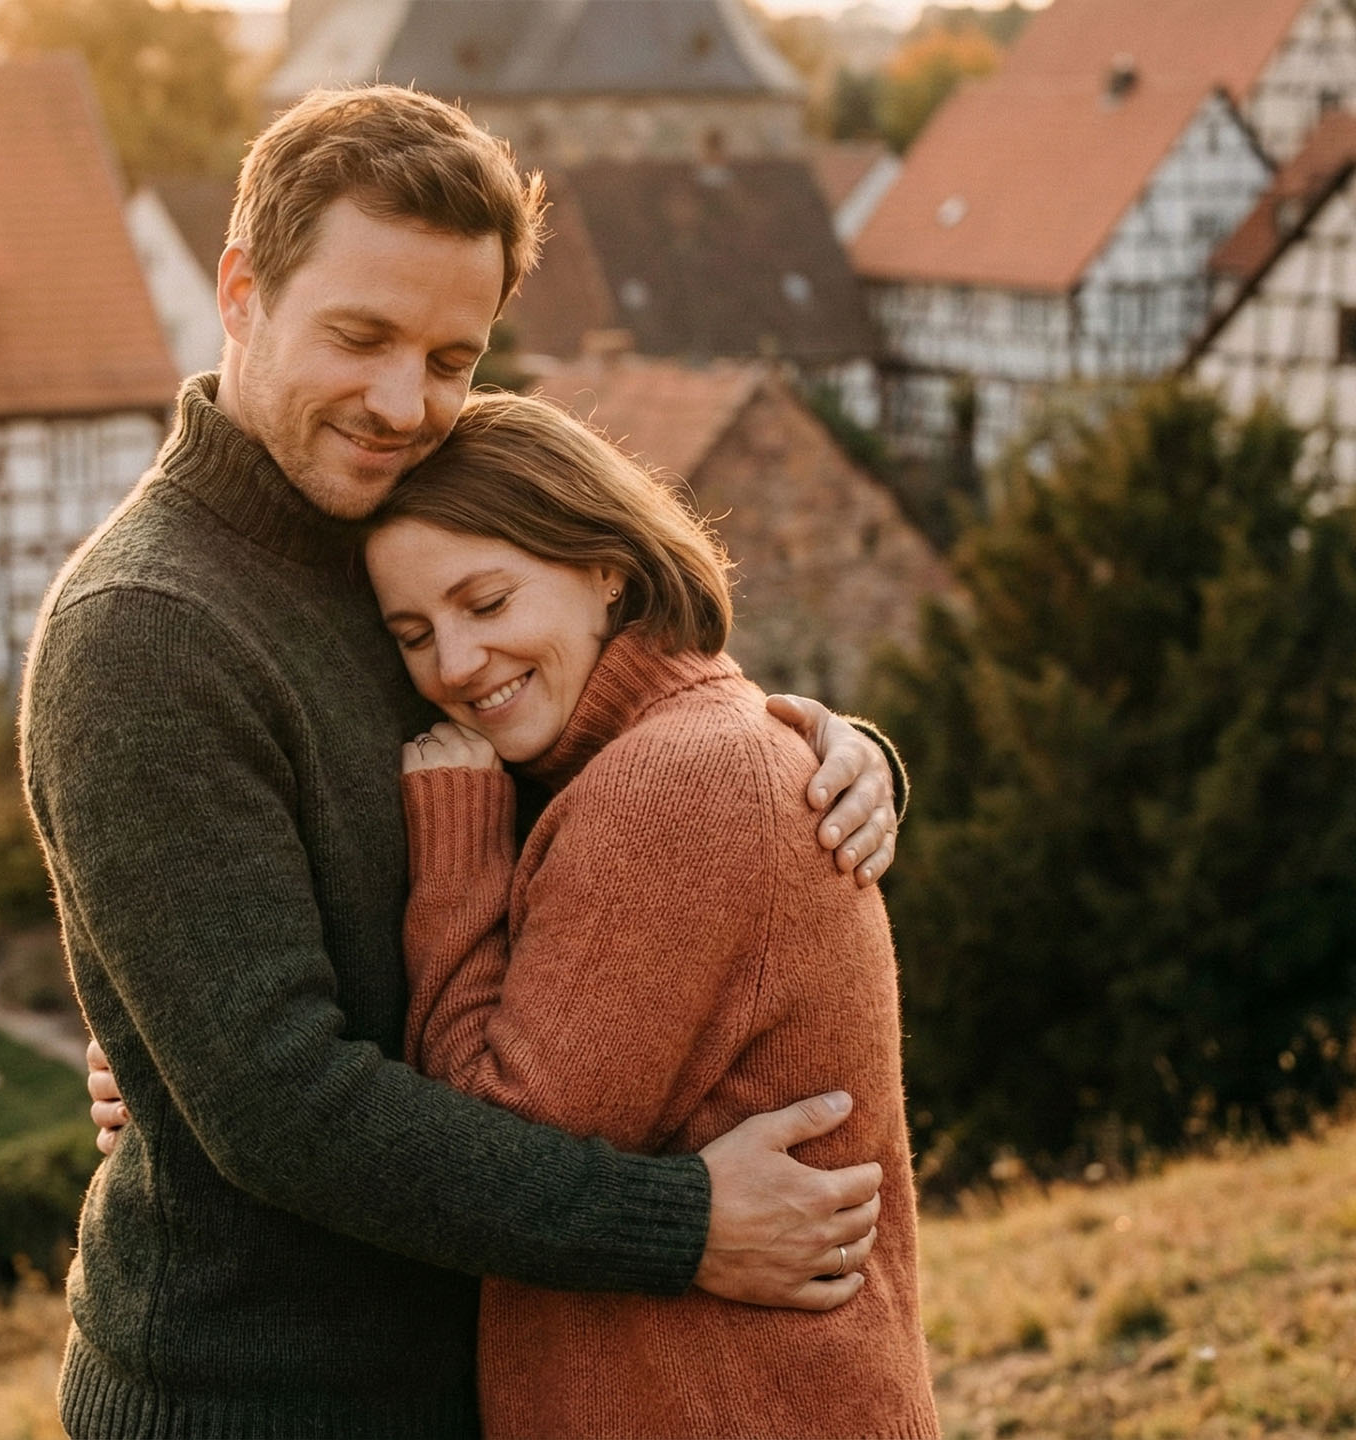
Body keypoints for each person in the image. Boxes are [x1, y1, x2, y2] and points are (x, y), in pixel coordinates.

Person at [19, 84, 904, 1437]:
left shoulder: (390, 554)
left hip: (462, 1373)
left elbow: (585, 755)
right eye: (361, 336)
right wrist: (683, 1226)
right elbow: (282, 1109)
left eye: (451, 356)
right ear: (243, 291)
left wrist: (819, 750)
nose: (402, 402)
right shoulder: (148, 631)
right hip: (256, 1399)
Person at [370, 392, 939, 1438]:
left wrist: (455, 865)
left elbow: (495, 1157)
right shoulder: (682, 749)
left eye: (487, 603)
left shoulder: (671, 783)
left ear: (605, 568)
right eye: (413, 634)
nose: (452, 665)